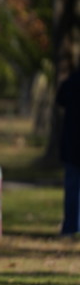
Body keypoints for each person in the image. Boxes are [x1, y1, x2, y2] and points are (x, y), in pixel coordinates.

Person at [56, 67, 80, 235]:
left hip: (71, 143)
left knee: (72, 188)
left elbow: (60, 100)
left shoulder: (71, 82)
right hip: (72, 144)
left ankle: (71, 226)